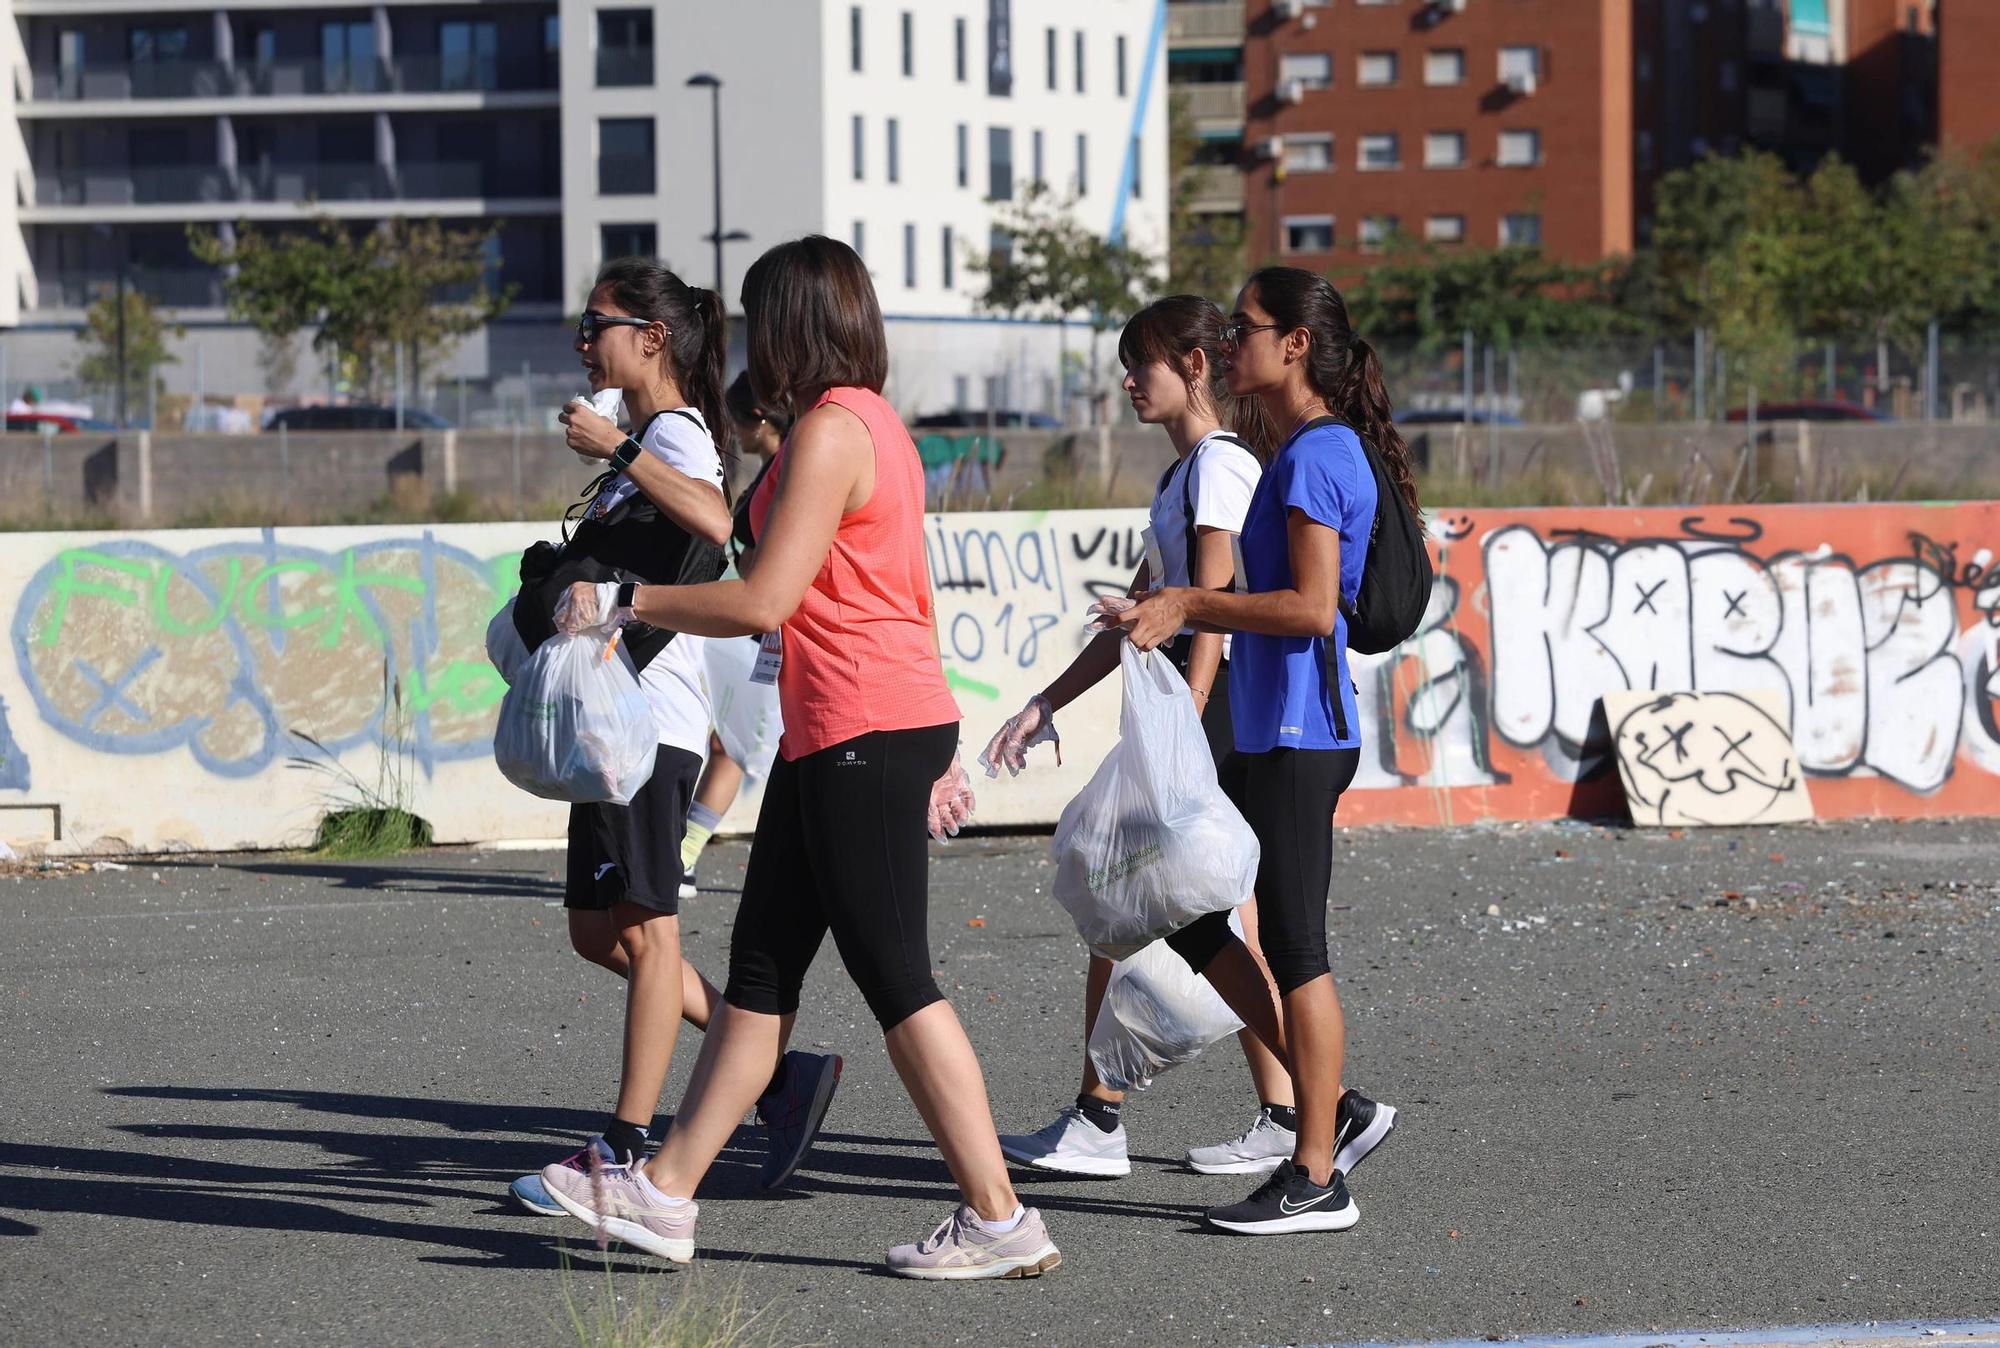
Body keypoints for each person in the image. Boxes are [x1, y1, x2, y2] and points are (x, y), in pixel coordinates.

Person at [538, 235, 1061, 1281]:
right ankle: (666, 1191)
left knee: (897, 977)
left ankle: (999, 1215)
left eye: (762, 312)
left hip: (862, 730)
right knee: (761, 975)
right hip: (840, 728)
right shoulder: (867, 426)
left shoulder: (830, 431)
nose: (752, 333)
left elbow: (763, 599)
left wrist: (624, 602)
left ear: (794, 322)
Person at [506, 258, 840, 1216]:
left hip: (652, 722)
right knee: (594, 933)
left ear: (650, 338)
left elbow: (714, 520)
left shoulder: (678, 431)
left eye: (596, 322)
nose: (582, 340)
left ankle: (623, 1149)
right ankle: (773, 1073)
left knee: (651, 935)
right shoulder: (654, 435)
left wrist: (617, 451)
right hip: (612, 725)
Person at [1100, 267, 1411, 1235]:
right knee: (1189, 911)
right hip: (1263, 729)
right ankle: (1335, 1109)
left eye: (1245, 329)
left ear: (1295, 347)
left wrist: (1192, 602)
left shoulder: (1319, 455)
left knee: (1297, 948)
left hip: (1298, 734)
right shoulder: (1290, 451)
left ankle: (1315, 1171)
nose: (1231, 343)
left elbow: (1312, 608)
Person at [982, 295, 1302, 1179]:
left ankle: (1112, 1116)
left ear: (1195, 367)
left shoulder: (1221, 470)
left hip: (1217, 710)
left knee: (1144, 899)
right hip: (1189, 712)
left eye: (1143, 363)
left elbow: (1208, 613)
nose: (1129, 380)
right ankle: (1281, 1108)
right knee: (1190, 912)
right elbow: (1142, 618)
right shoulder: (1181, 475)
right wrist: (1046, 701)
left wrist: (1183, 739)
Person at [676, 373, 790, 900]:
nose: (734, 432)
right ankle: (683, 855)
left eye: (738, 420)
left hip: (764, 626)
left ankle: (687, 855)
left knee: (759, 746)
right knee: (728, 741)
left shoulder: (789, 471)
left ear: (760, 419)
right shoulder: (776, 468)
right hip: (746, 626)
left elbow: (776, 554)